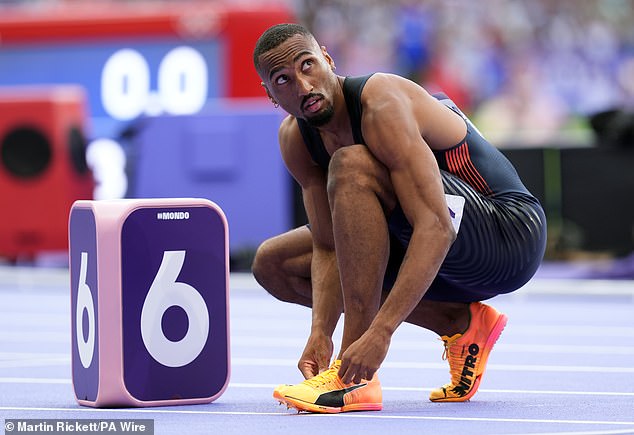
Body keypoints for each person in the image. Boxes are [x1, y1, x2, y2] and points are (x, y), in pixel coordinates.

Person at [251, 23, 547, 414]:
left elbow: (436, 225)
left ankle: (352, 379)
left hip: (508, 235)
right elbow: (328, 244)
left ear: (327, 57)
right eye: (284, 80)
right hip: (436, 238)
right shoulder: (296, 140)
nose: (303, 87)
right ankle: (459, 324)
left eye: (308, 66)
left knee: (352, 164)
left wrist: (381, 332)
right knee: (275, 264)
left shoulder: (381, 102)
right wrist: (320, 331)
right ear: (270, 94)